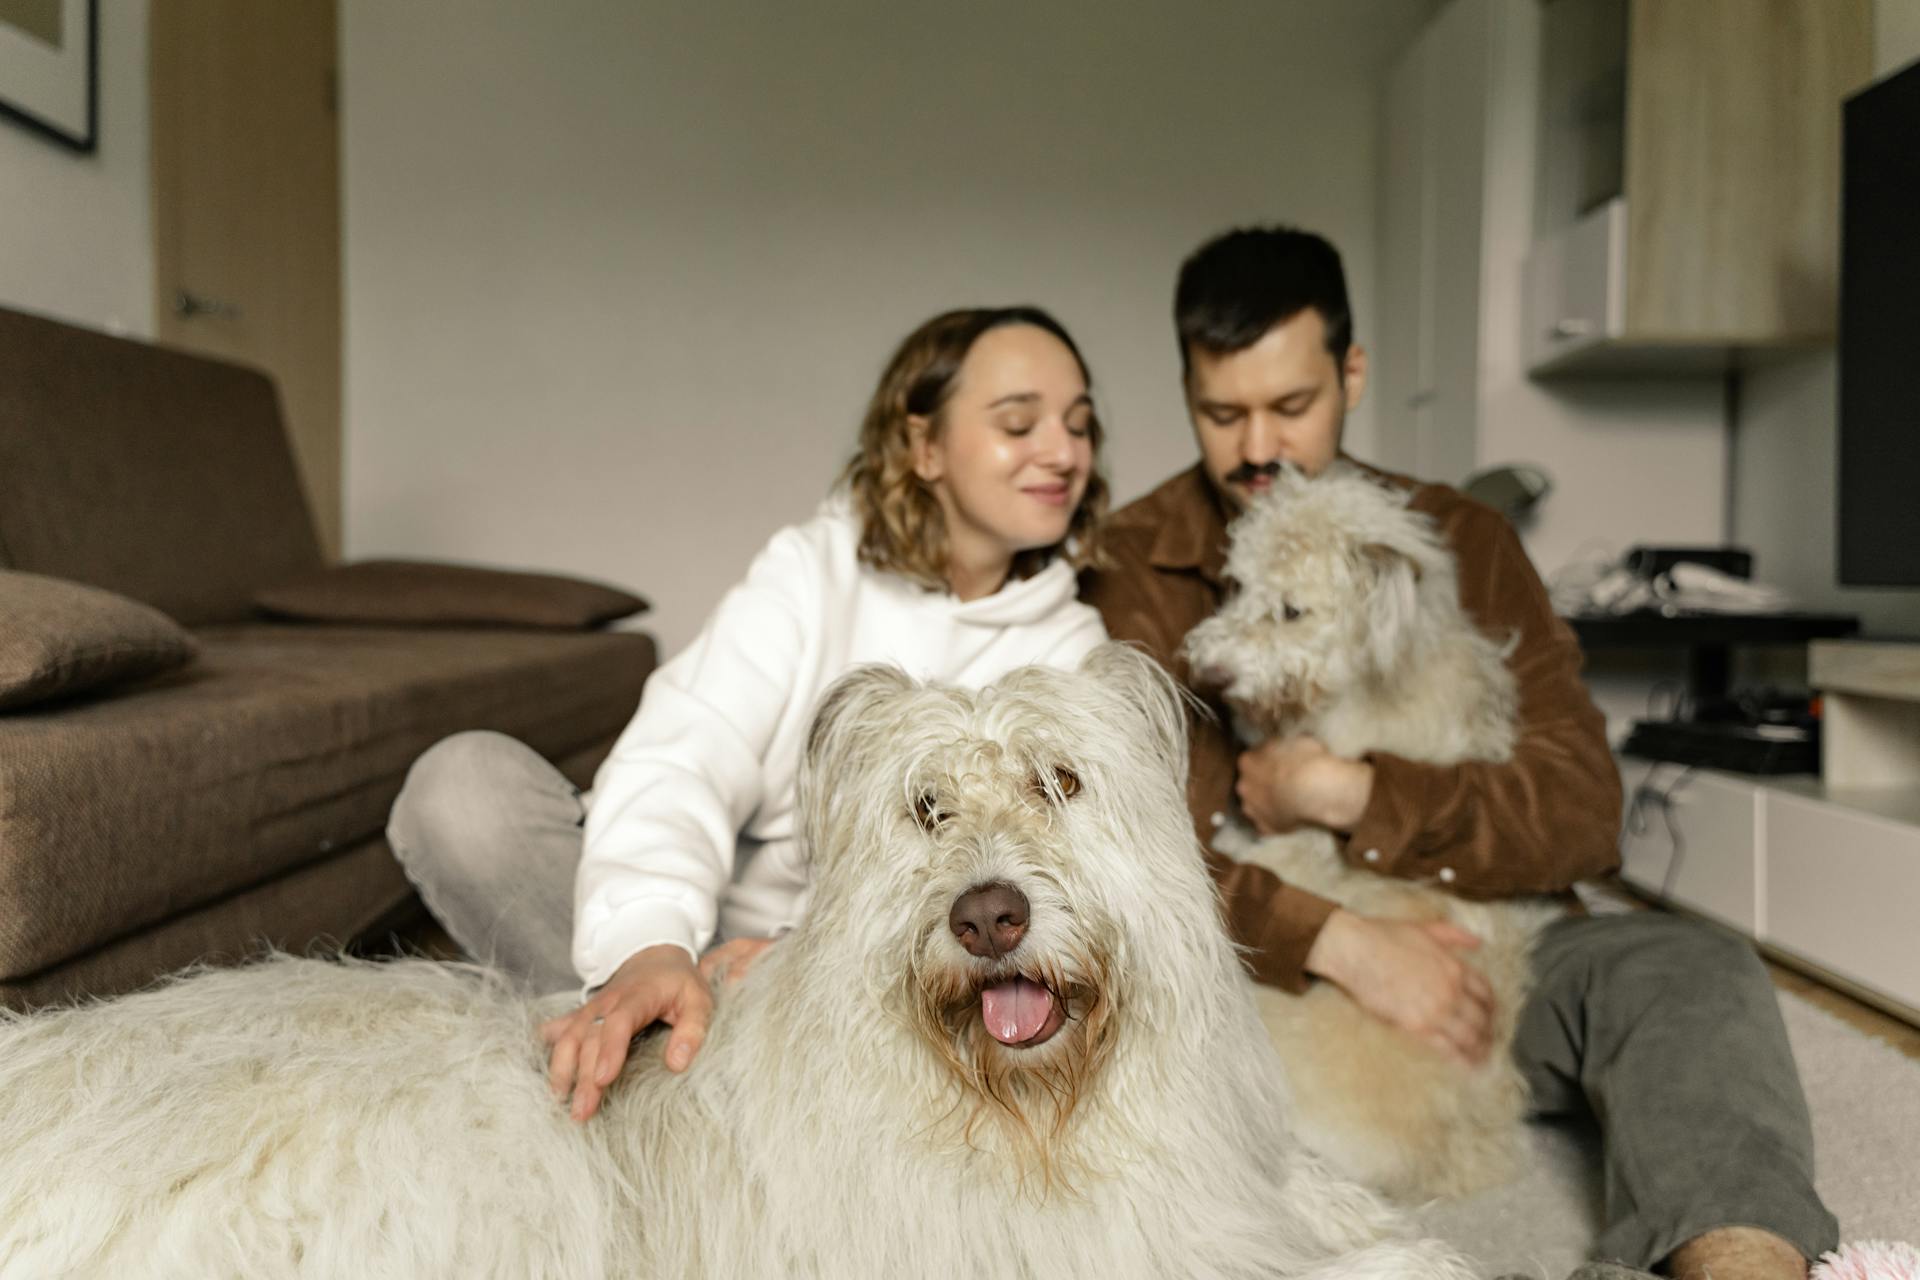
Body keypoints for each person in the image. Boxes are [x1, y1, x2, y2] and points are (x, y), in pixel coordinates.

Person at [1080, 227, 1838, 1280]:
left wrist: (1353, 793)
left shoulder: (1460, 538)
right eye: (1222, 412)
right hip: (1271, 984)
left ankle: (1746, 1268)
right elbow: (1114, 850)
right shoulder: (1131, 565)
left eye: (1291, 406)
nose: (1258, 445)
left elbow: (1580, 809)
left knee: (1691, 966)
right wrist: (1338, 937)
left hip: (1501, 948)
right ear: (1186, 391)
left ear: (1352, 374)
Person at [388, 305, 1110, 1122]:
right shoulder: (811, 570)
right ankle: (642, 1024)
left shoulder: (1074, 649)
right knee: (461, 791)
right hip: (688, 945)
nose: (1062, 452)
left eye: (1080, 426)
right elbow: (682, 753)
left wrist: (798, 963)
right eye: (1021, 423)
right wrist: (652, 947)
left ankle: (659, 1089)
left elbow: (1059, 889)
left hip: (862, 990)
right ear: (924, 448)